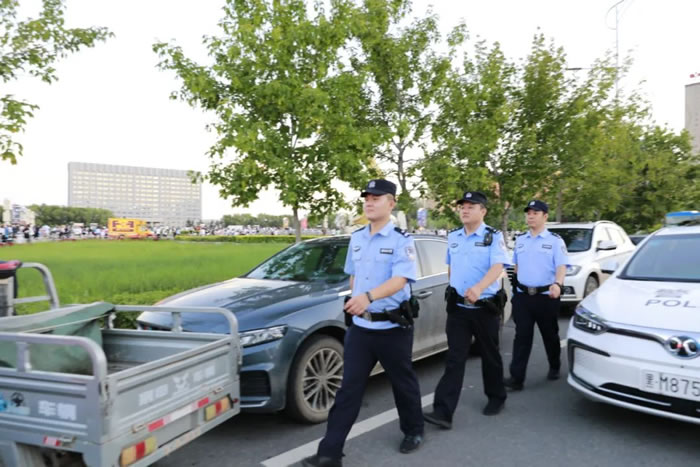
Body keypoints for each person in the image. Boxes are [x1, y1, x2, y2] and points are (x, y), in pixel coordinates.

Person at [302, 179, 424, 467]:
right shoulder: (357, 238)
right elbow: (354, 275)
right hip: (362, 329)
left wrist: (368, 297)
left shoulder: (401, 239)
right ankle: (330, 453)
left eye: (376, 198)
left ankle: (414, 430)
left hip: (393, 328)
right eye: (367, 198)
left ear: (391, 203)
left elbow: (400, 280)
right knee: (348, 391)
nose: (369, 202)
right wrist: (357, 299)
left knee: (402, 384)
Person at [423, 191, 510, 430]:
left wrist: (479, 288)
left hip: (484, 307)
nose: (465, 210)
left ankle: (496, 397)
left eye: (471, 206)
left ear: (483, 211)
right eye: (462, 206)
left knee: (490, 355)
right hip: (459, 309)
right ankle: (443, 411)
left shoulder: (493, 236)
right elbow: (452, 267)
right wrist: (456, 288)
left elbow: (498, 266)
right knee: (454, 359)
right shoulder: (453, 236)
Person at [504, 200, 569, 391]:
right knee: (521, 337)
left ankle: (554, 365)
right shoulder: (521, 240)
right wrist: (515, 291)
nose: (530, 216)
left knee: (550, 335)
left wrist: (558, 284)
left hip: (546, 297)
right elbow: (517, 266)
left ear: (545, 216)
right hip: (523, 297)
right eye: (528, 213)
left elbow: (561, 266)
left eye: (535, 213)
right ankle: (517, 378)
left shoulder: (555, 241)